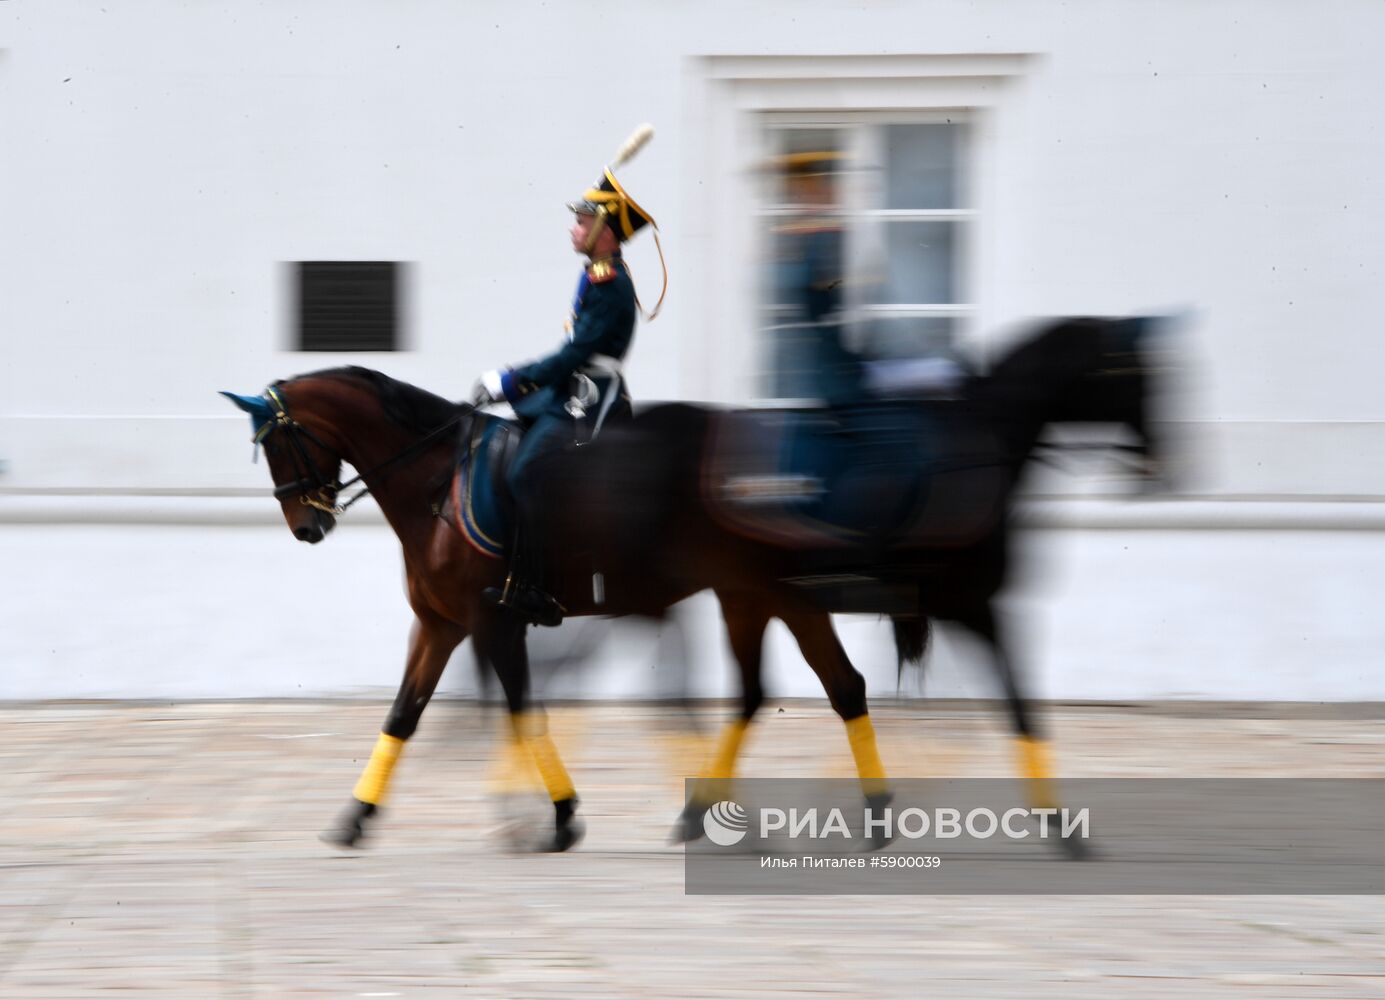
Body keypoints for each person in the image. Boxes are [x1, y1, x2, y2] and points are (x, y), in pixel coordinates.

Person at [472, 151, 664, 627]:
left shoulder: (610, 281)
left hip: (591, 394)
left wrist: (510, 379)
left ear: (605, 232)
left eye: (581, 222)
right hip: (576, 386)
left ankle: (540, 588)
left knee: (528, 472)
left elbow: (574, 355)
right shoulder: (596, 275)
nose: (573, 229)